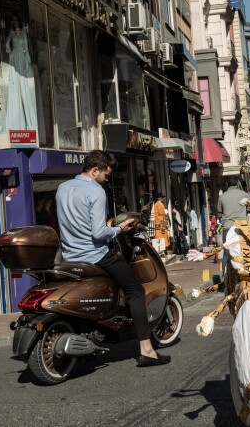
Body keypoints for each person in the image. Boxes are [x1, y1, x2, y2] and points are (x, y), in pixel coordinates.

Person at [55, 150, 170, 367]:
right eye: (106, 175)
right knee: (135, 291)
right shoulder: (96, 191)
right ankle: (146, 350)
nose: (106, 180)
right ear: (95, 170)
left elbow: (75, 223)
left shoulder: (63, 188)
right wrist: (119, 228)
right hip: (95, 254)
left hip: (69, 255)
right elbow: (98, 233)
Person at [216, 176, 250, 277]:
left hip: (228, 227)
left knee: (226, 252)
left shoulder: (222, 196)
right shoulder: (243, 194)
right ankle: (245, 272)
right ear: (237, 184)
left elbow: (219, 214)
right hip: (241, 227)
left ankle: (225, 276)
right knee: (244, 249)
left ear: (227, 185)